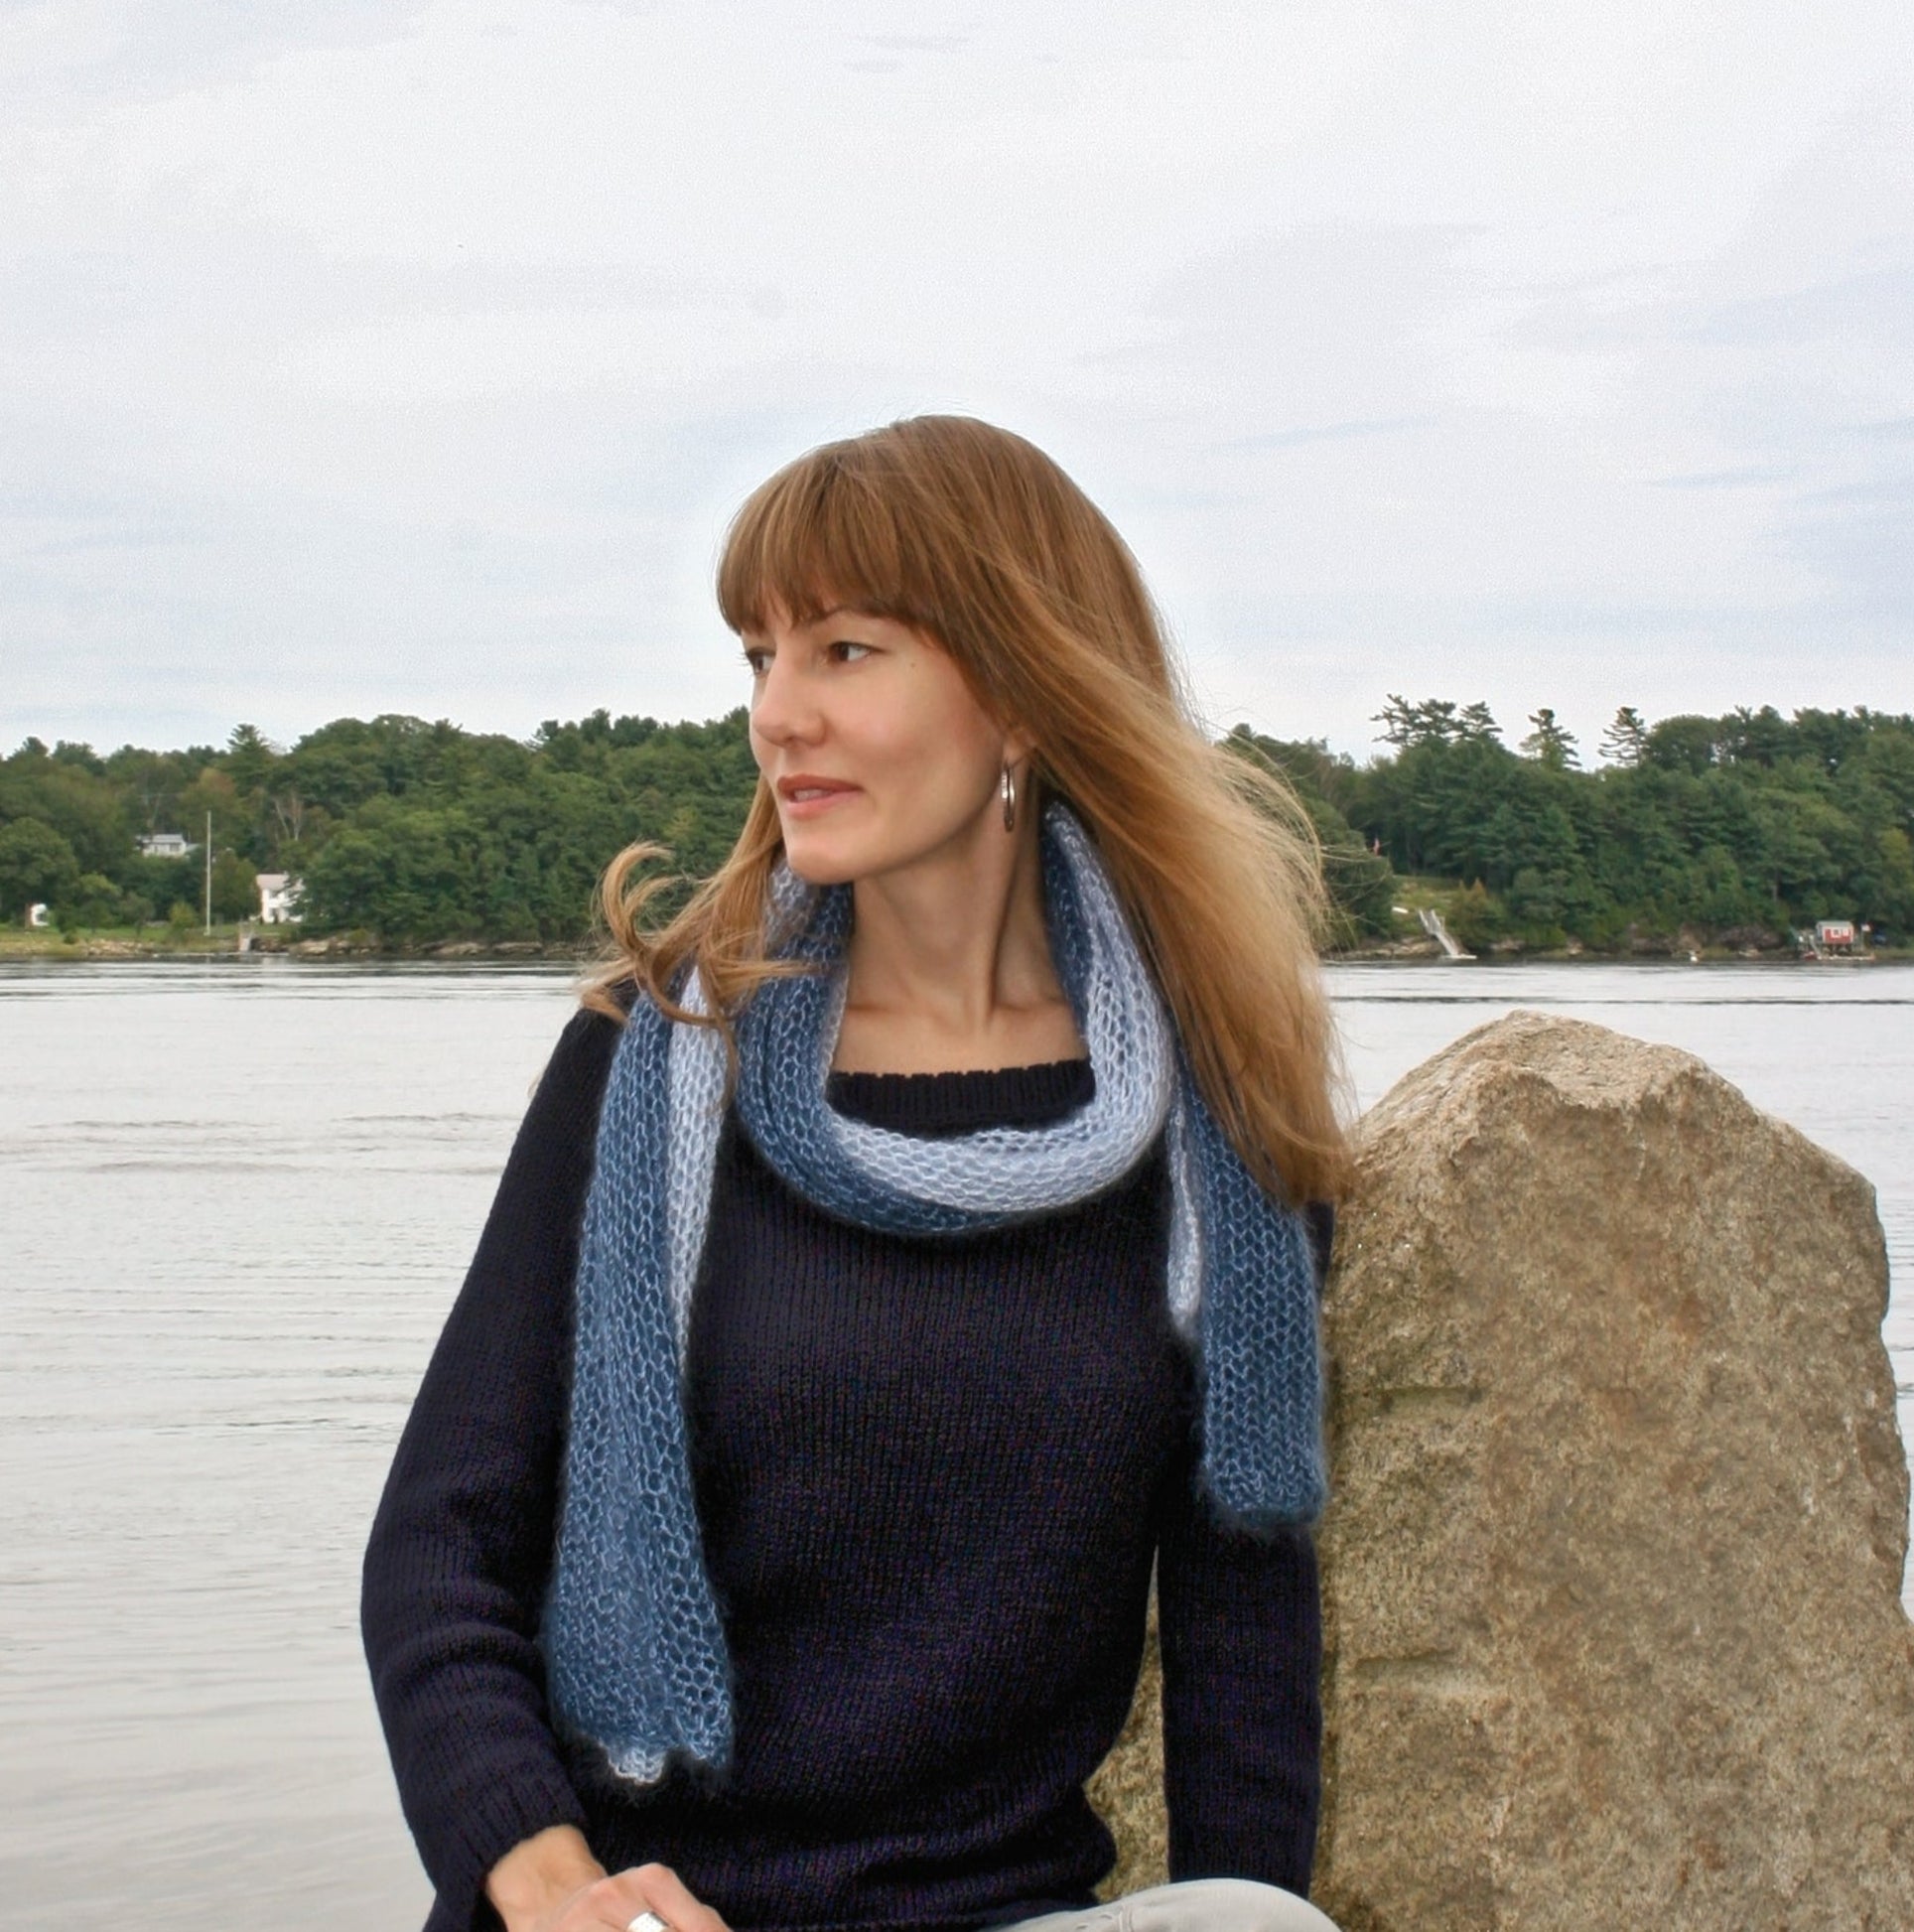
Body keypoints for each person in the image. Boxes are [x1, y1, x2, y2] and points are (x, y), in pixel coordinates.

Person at [362, 416, 1350, 1932]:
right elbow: (442, 1543)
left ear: (1021, 688)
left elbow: (1242, 1634)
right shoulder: (654, 1052)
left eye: (842, 651)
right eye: (758, 657)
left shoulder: (1207, 1121)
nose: (777, 715)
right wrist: (551, 1881)